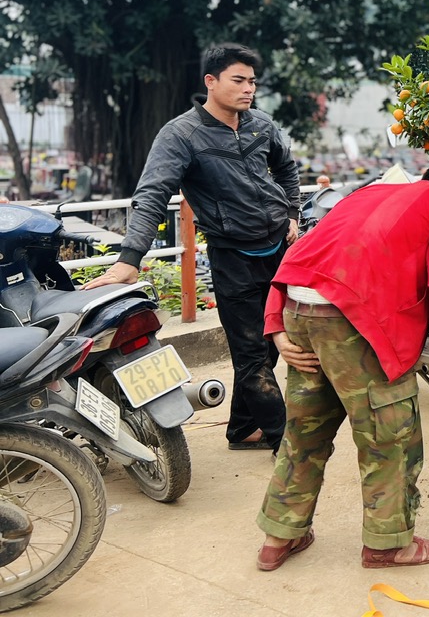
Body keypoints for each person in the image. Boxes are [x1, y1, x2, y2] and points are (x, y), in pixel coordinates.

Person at [255, 161, 429, 572]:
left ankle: (280, 535)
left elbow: (300, 252)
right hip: (355, 322)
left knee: (304, 431)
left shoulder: (367, 194)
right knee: (390, 435)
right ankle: (388, 545)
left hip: (299, 310)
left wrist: (276, 324)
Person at [86, 43, 299, 452]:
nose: (248, 89)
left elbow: (287, 168)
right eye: (238, 80)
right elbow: (151, 195)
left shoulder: (261, 125)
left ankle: (241, 430)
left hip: (278, 252)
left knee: (270, 346)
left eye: (252, 81)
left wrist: (292, 213)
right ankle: (286, 443)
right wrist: (131, 258)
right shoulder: (181, 134)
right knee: (252, 354)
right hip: (233, 257)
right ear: (211, 82)